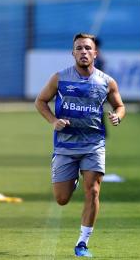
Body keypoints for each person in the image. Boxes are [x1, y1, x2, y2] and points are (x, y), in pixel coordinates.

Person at [35, 33, 125, 257]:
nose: (83, 52)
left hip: (94, 144)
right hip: (65, 146)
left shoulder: (107, 81)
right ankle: (71, 179)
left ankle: (82, 243)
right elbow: (40, 101)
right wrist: (53, 121)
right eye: (79, 48)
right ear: (72, 53)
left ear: (95, 53)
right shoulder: (60, 78)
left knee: (93, 191)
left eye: (87, 48)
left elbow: (120, 105)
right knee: (62, 199)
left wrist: (118, 116)